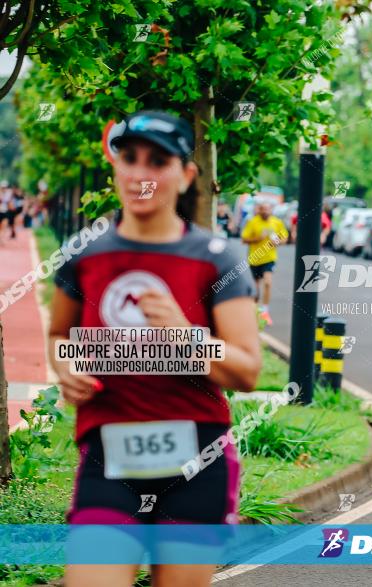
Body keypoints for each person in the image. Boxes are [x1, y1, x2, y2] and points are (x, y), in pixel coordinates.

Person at [48, 110, 261, 587]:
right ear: (116, 168)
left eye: (158, 161)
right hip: (109, 460)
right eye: (130, 158)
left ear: (185, 175)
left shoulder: (216, 260)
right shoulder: (84, 255)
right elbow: (59, 336)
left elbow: (247, 370)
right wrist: (65, 367)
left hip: (196, 460)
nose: (141, 174)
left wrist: (182, 333)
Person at [240, 200, 288, 326]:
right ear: (259, 210)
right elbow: (244, 239)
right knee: (255, 289)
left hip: (269, 258)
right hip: (255, 258)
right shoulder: (252, 222)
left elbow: (285, 237)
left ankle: (265, 311)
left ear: (271, 210)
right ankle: (255, 313)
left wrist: (278, 242)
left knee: (267, 282)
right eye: (263, 209)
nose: (265, 211)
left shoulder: (276, 222)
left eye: (268, 209)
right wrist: (258, 238)